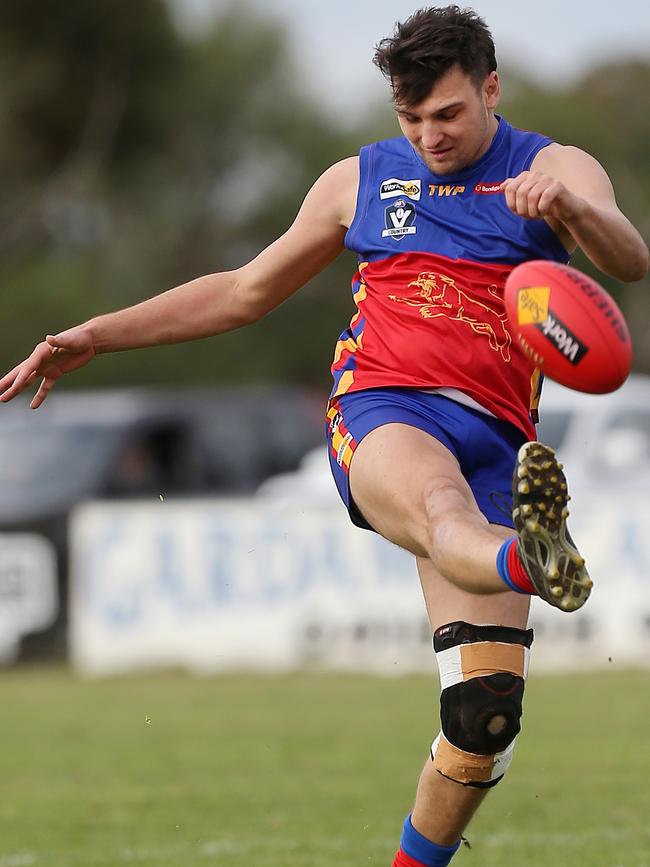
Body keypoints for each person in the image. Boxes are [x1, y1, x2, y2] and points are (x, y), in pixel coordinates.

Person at [1, 6, 648, 865]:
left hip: (500, 433)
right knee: (440, 506)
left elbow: (629, 258)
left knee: (483, 715)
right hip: (387, 407)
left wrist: (571, 210)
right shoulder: (359, 182)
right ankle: (529, 554)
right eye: (409, 117)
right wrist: (99, 332)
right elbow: (242, 291)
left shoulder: (553, 168)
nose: (429, 135)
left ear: (491, 90)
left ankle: (516, 565)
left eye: (448, 114)